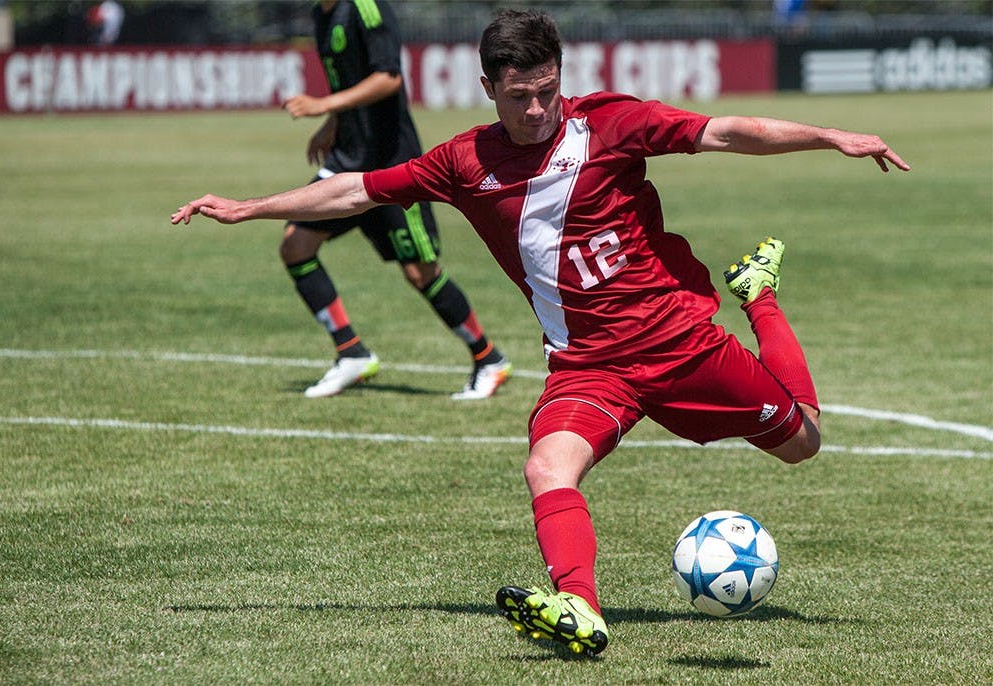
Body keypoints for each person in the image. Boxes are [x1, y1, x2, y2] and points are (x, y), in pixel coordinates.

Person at [172, 8, 909, 657]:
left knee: (803, 441)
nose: (535, 109)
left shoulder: (611, 125)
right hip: (587, 366)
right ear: (488, 89)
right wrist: (250, 207)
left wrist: (829, 134)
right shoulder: (464, 162)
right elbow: (356, 187)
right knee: (546, 469)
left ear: (562, 78)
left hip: (680, 344)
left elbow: (727, 130)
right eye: (519, 96)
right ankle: (581, 610)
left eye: (547, 92)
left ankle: (759, 295)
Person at [279, 0, 510, 399]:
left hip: (391, 168)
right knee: (295, 245)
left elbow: (388, 79)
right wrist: (332, 124)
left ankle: (487, 357)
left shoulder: (367, 8)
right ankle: (351, 352)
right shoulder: (322, 14)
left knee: (421, 273)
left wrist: (323, 105)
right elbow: (347, 82)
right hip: (346, 162)